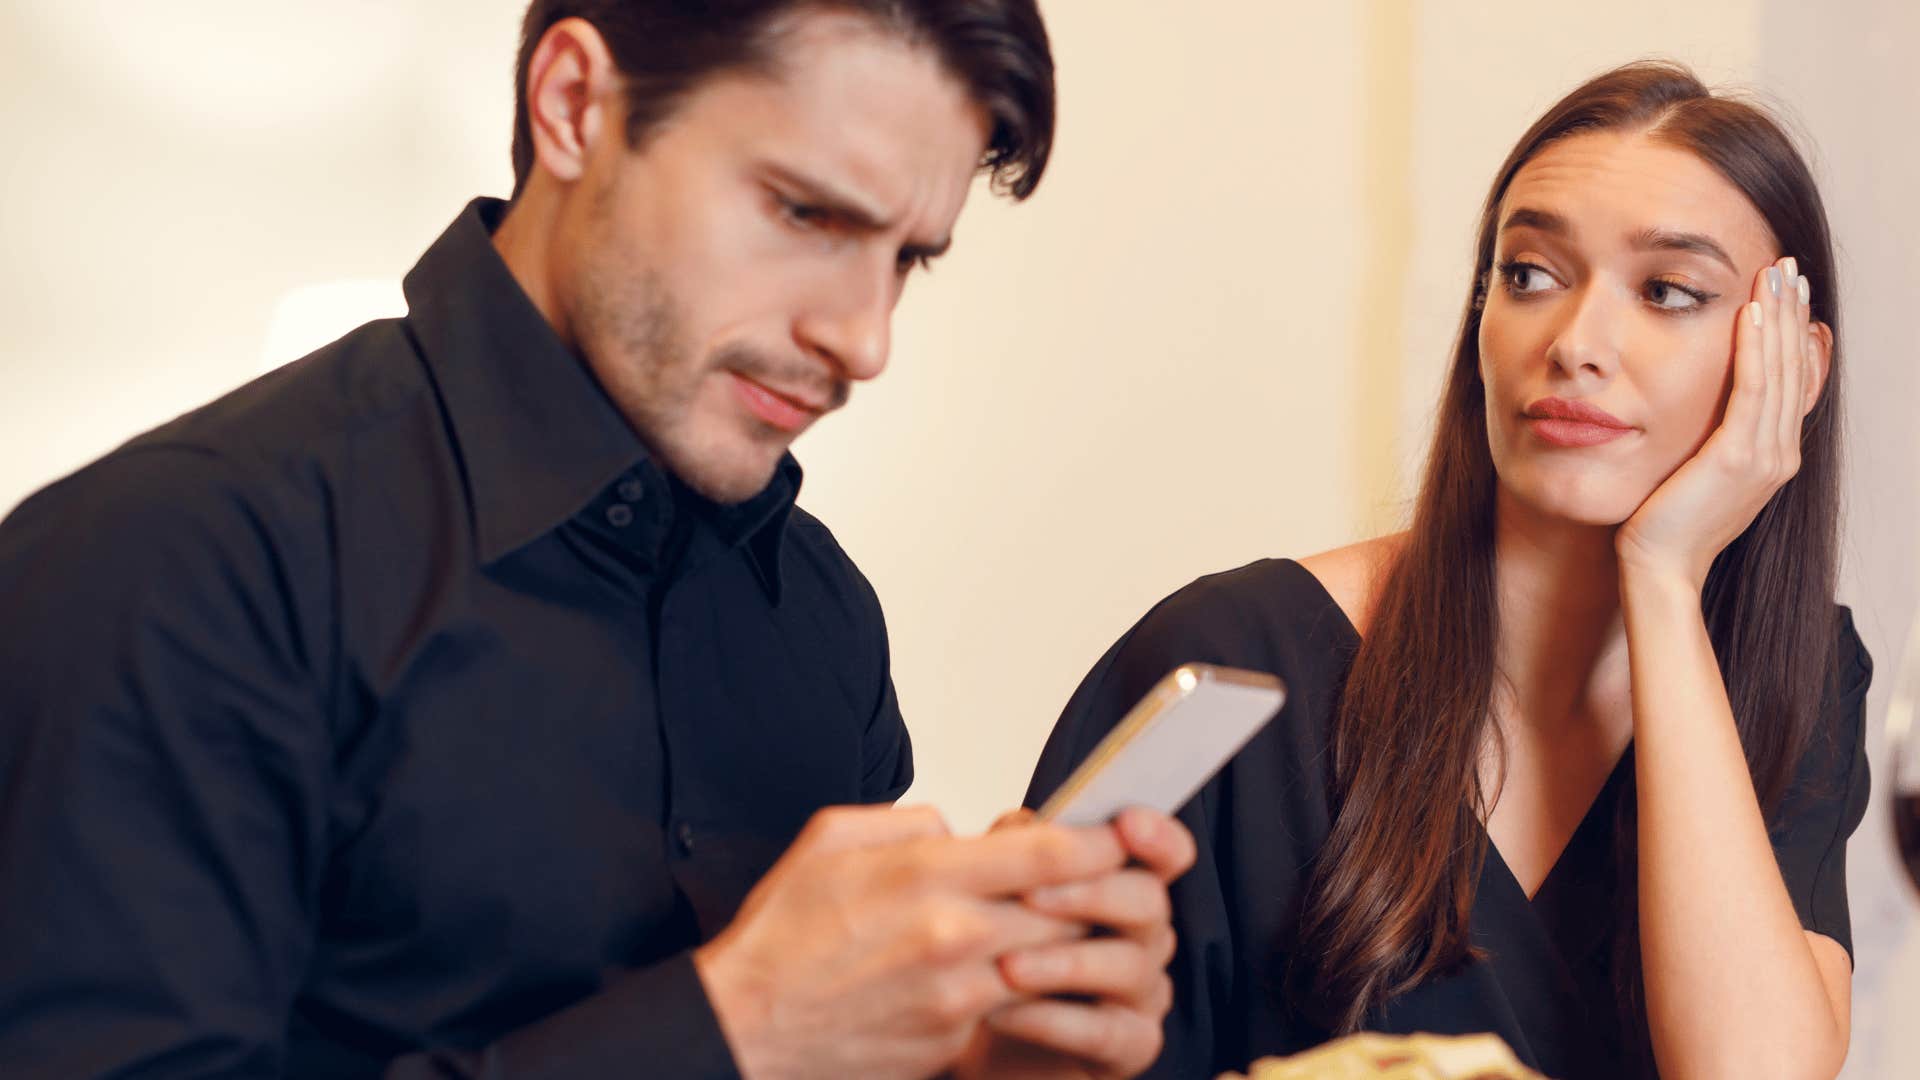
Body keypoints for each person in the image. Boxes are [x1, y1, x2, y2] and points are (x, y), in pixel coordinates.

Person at [0, 3, 1193, 1077]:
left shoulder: (822, 614)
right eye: (807, 211)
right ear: (574, 105)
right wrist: (736, 1029)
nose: (864, 338)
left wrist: (980, 1065)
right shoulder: (170, 561)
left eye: (907, 259)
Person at [1028, 61, 1868, 1080]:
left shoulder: (1801, 670)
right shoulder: (1228, 661)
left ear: (1792, 366)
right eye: (1529, 274)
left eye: (1667, 292)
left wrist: (1661, 576)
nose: (1575, 343)